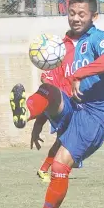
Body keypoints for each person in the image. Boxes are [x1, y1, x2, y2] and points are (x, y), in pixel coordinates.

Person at [10, 0, 104, 208]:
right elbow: (52, 91)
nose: (76, 18)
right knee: (47, 87)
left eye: (82, 14)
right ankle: (25, 112)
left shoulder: (98, 38)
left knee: (60, 167)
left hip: (95, 114)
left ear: (94, 15)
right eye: (72, 13)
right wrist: (37, 121)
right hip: (72, 107)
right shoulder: (59, 47)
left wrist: (80, 74)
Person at [34, 31, 77, 182]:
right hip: (62, 104)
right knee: (63, 140)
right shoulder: (55, 57)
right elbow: (46, 80)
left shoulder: (70, 56)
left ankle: (52, 168)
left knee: (64, 140)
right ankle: (45, 169)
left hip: (69, 102)